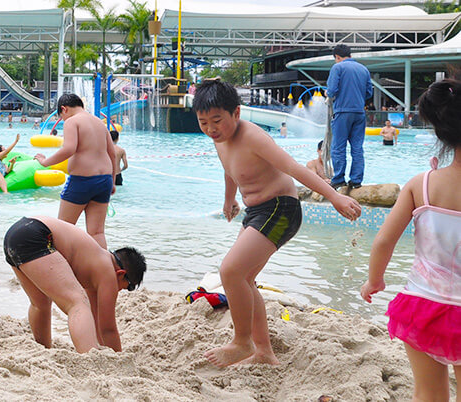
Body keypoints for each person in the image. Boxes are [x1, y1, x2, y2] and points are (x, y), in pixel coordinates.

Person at [192, 80, 362, 367]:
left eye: (217, 120)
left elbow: (293, 168)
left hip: (281, 209)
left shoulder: (253, 137)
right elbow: (229, 171)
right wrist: (229, 200)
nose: (211, 129)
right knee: (244, 279)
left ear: (236, 112)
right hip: (257, 211)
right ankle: (264, 353)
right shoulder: (219, 140)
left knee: (231, 272)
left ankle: (242, 341)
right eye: (203, 122)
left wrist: (334, 197)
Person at [361, 79, 461, 399]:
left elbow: (383, 241)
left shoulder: (422, 184)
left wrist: (374, 281)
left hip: (423, 306)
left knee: (428, 394)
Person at [3, 215, 146, 353]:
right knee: (77, 302)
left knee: (40, 304)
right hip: (37, 235)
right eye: (129, 286)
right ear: (121, 273)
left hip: (16, 233)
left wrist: (104, 347)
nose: (122, 290)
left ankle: (44, 350)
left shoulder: (96, 265)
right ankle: (90, 359)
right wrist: (118, 359)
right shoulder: (108, 272)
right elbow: (108, 328)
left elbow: (95, 320)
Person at [33, 93, 118, 248]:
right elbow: (112, 154)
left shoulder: (72, 121)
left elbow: (69, 149)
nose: (64, 120)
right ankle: (103, 268)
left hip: (82, 181)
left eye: (62, 117)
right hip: (104, 179)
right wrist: (112, 182)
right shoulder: (99, 123)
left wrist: (45, 162)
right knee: (97, 232)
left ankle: (64, 267)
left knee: (63, 228)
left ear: (64, 109)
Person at [327, 44, 373, 191]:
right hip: (359, 112)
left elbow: (332, 90)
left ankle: (339, 179)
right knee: (357, 148)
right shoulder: (363, 69)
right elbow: (369, 93)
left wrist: (329, 94)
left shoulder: (338, 67)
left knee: (338, 147)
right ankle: (356, 180)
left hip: (342, 111)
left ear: (337, 57)